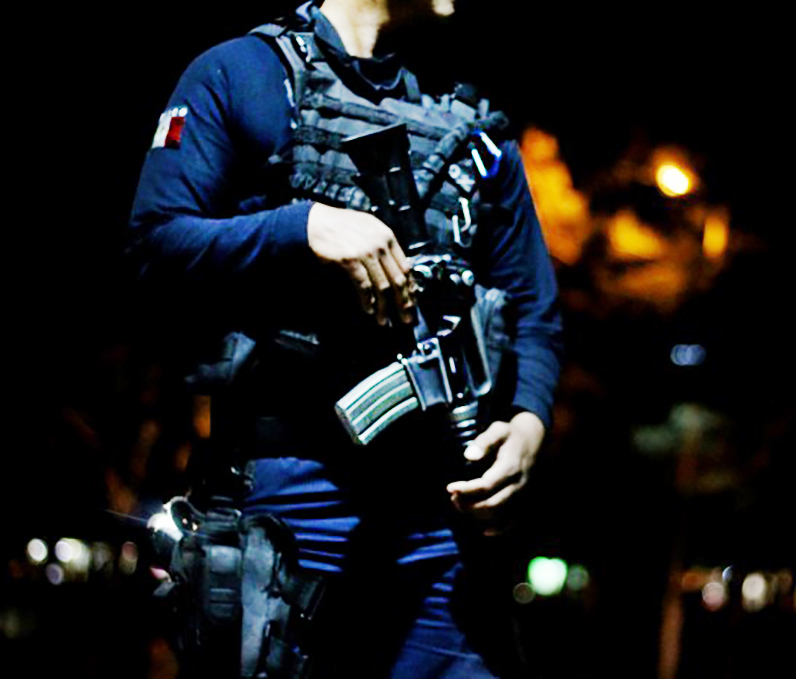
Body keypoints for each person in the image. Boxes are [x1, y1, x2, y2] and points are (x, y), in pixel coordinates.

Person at [129, 0, 562, 677]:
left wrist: (529, 420)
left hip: (441, 526)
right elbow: (156, 243)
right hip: (283, 517)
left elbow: (533, 307)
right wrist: (302, 227)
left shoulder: (473, 119)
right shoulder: (244, 74)